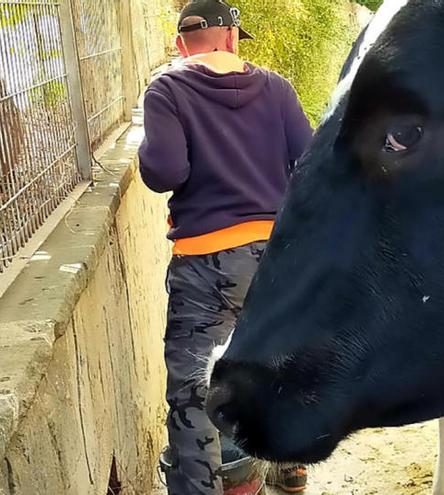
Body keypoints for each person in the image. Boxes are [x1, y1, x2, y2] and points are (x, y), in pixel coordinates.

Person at [138, 1, 312, 493]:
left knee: (195, 393)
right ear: (233, 39)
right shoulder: (277, 89)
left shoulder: (167, 89)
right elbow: (310, 160)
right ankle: (289, 466)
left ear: (180, 45)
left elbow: (165, 172)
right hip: (273, 257)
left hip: (206, 265)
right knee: (276, 366)